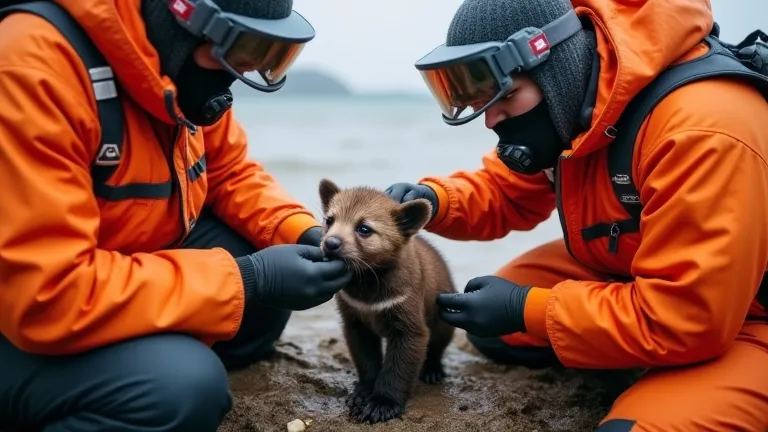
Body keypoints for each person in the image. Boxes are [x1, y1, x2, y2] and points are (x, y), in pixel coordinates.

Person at [386, 0, 768, 430]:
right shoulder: (581, 103)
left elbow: (687, 318)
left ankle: (693, 384)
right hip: (637, 271)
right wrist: (434, 200)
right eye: (480, 99)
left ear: (557, 67)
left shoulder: (701, 130)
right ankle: (641, 360)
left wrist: (524, 308)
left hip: (743, 318)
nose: (491, 119)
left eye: (506, 95)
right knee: (492, 329)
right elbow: (505, 192)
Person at [0, 0, 352, 431]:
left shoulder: (178, 74)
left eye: (266, 50)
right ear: (179, 19)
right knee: (181, 389)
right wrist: (246, 279)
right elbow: (47, 293)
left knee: (262, 293)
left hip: (98, 271)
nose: (244, 66)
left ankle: (137, 357)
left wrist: (305, 233)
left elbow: (229, 172)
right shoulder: (30, 64)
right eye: (242, 45)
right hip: (24, 309)